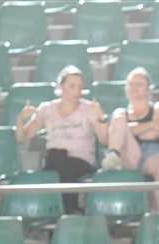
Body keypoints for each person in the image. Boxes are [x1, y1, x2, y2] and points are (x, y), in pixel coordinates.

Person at [15, 65, 108, 214]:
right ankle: (66, 211)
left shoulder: (89, 108)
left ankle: (69, 211)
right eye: (72, 86)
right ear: (61, 87)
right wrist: (21, 119)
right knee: (55, 163)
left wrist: (101, 118)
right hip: (55, 160)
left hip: (81, 161)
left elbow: (105, 140)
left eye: (80, 87)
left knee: (64, 166)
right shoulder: (46, 108)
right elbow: (23, 138)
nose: (77, 91)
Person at [101, 67, 159, 209]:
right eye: (131, 84)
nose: (134, 88)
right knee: (118, 117)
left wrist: (127, 130)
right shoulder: (121, 115)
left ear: (148, 89)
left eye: (139, 84)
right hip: (128, 155)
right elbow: (150, 130)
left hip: (154, 153)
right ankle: (113, 156)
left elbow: (155, 134)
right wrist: (151, 124)